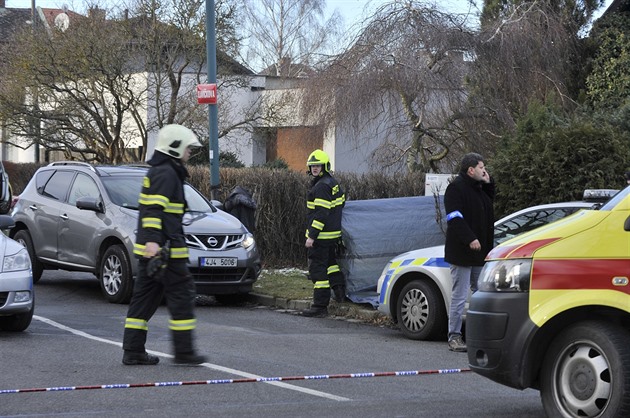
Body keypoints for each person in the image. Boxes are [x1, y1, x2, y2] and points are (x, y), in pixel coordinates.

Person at [122, 124, 207, 366]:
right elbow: (152, 210)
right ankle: (184, 352)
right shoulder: (167, 173)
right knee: (182, 297)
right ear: (175, 147)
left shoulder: (163, 171)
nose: (190, 152)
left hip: (158, 250)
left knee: (144, 300)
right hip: (165, 251)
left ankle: (133, 350)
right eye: (188, 147)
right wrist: (152, 242)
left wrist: (151, 244)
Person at [444, 152, 494, 352]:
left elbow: (488, 205)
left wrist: (489, 184)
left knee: (481, 293)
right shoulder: (456, 188)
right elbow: (454, 218)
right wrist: (470, 238)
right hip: (462, 252)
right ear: (470, 170)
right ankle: (454, 336)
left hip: (479, 254)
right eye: (482, 167)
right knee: (460, 295)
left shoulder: (479, 189)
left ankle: (479, 335)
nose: (485, 171)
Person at [301, 149, 346, 317]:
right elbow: (341, 203)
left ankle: (320, 306)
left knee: (318, 270)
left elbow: (321, 213)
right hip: (333, 235)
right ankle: (340, 293)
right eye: (312, 166)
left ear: (324, 166)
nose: (314, 169)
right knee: (331, 264)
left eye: (317, 166)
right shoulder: (333, 183)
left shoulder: (321, 186)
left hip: (321, 236)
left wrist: (312, 236)